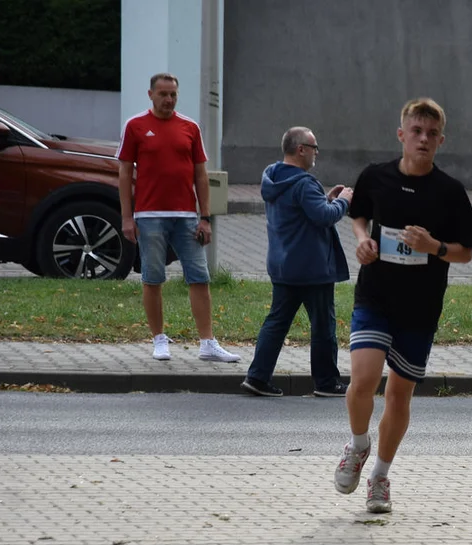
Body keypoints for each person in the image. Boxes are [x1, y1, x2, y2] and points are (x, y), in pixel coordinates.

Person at [333, 98, 472, 513]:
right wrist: (362, 240)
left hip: (420, 306)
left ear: (441, 141)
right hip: (376, 296)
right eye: (416, 131)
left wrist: (434, 247)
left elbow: (465, 252)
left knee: (399, 395)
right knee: (363, 380)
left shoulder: (450, 192)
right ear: (401, 135)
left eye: (432, 134)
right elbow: (358, 215)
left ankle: (380, 477)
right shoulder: (375, 177)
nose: (423, 139)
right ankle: (359, 444)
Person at [117, 72, 240, 363]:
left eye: (173, 94)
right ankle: (159, 339)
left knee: (199, 277)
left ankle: (207, 343)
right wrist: (127, 217)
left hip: (186, 216)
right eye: (163, 94)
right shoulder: (135, 126)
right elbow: (124, 173)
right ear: (151, 95)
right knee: (153, 278)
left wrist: (205, 217)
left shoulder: (190, 127)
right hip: (149, 216)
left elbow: (200, 174)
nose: (169, 99)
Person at [240, 127, 353, 398]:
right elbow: (323, 217)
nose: (316, 153)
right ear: (301, 149)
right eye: (314, 147)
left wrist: (326, 199)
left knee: (276, 322)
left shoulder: (274, 178)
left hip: (283, 265)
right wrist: (344, 202)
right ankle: (326, 383)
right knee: (323, 327)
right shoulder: (304, 182)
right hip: (312, 268)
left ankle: (257, 377)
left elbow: (305, 211)